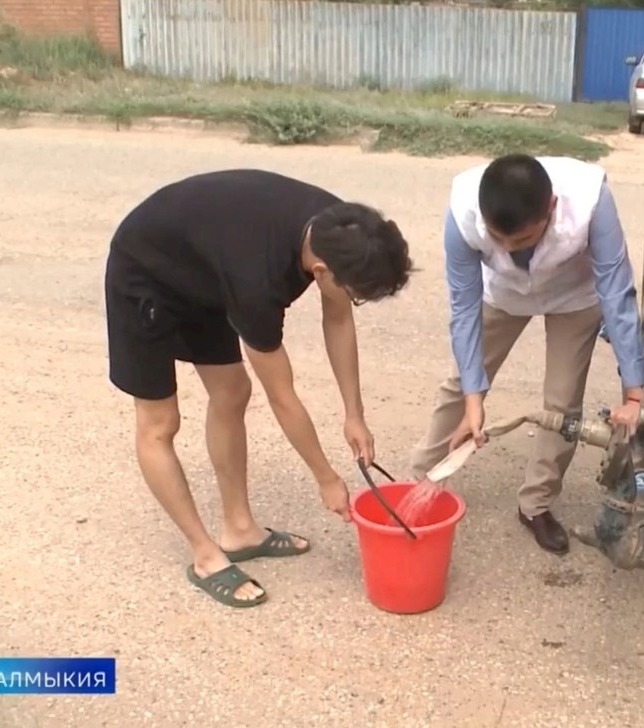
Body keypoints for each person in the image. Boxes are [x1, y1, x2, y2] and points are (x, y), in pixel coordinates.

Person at [103, 169, 413, 608]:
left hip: (206, 268)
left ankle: (240, 531)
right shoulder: (257, 283)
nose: (352, 301)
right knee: (159, 423)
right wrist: (326, 478)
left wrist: (354, 413)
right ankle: (206, 555)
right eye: (356, 293)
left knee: (231, 391)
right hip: (147, 272)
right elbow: (283, 398)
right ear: (321, 272)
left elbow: (339, 317)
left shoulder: (340, 231)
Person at [408, 154, 644, 555]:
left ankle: (535, 505)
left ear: (551, 208)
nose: (505, 248)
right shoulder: (464, 209)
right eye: (496, 239)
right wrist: (474, 397)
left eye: (519, 241)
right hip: (500, 295)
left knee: (563, 402)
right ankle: (420, 484)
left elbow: (616, 293)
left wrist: (634, 393)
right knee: (458, 387)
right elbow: (464, 307)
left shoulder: (590, 201)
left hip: (575, 295)